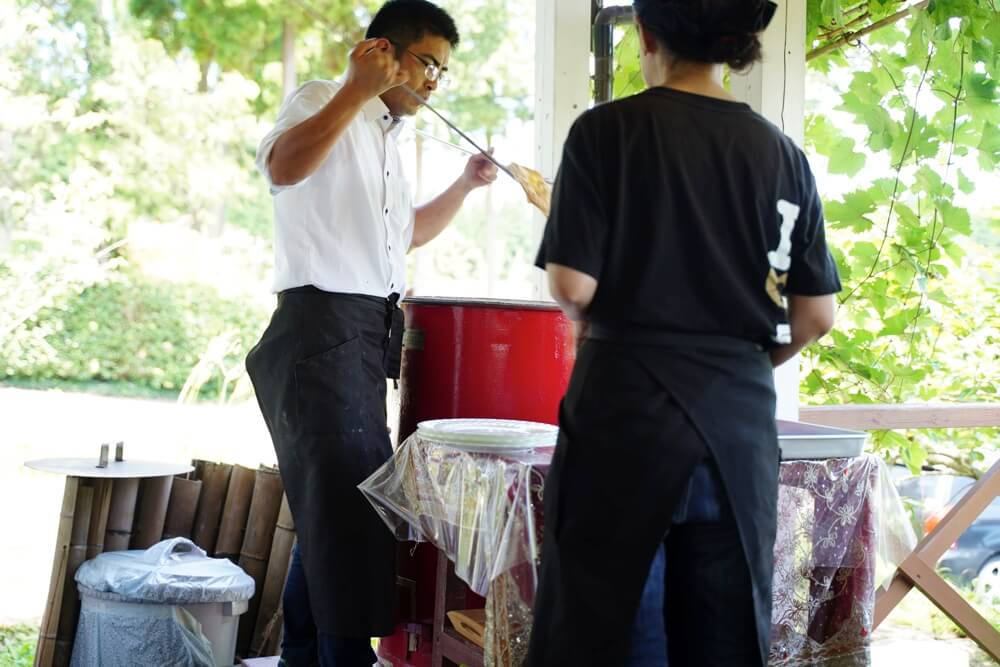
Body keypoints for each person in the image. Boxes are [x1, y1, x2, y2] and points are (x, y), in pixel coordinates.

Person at [525, 0, 842, 665]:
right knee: (723, 643)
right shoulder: (784, 157)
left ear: (645, 33)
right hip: (738, 431)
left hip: (624, 421)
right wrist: (741, 362)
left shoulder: (605, 132)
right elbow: (816, 315)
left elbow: (570, 286)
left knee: (603, 634)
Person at [245, 2, 497, 665]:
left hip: (362, 339)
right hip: (318, 333)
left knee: (336, 512)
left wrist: (466, 186)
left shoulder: (386, 136)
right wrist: (356, 89)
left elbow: (403, 235)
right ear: (385, 49)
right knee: (355, 519)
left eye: (445, 69)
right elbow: (281, 166)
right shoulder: (324, 99)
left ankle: (304, 652)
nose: (436, 80)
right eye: (428, 62)